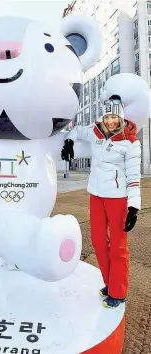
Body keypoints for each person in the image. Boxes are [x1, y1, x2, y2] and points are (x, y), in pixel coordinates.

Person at [61, 95, 141, 309]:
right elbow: (77, 130)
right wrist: (69, 141)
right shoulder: (95, 132)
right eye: (107, 117)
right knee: (97, 241)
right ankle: (110, 283)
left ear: (121, 117)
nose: (110, 122)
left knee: (118, 247)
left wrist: (133, 207)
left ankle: (118, 291)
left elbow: (134, 178)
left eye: (114, 117)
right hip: (96, 195)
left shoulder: (130, 143)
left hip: (118, 199)